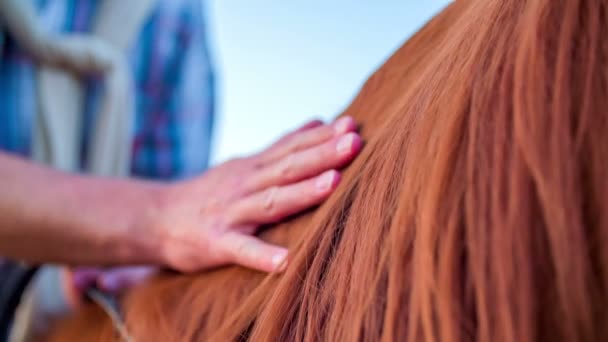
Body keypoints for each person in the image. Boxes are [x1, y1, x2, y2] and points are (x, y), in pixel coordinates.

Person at [0, 0, 361, 286]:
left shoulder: (175, 15)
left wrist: (125, 265)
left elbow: (184, 220)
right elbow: (172, 216)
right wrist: (159, 215)